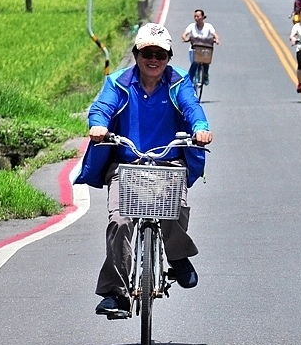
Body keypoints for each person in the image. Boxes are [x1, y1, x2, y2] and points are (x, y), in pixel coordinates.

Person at [75, 23, 213, 318]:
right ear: (136, 54)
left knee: (174, 210)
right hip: (127, 164)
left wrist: (200, 129)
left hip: (168, 162)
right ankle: (116, 293)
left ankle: (177, 257)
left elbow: (193, 110)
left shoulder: (179, 83)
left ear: (168, 57)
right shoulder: (119, 82)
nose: (154, 60)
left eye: (160, 55)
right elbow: (101, 108)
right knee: (120, 221)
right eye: (147, 53)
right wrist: (97, 126)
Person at [182, 9, 220, 86]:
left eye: (198, 16)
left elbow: (215, 35)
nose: (196, 18)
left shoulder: (208, 26)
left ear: (203, 17)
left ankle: (205, 75)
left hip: (205, 49)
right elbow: (184, 34)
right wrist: (185, 38)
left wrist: (217, 39)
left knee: (206, 61)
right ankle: (189, 79)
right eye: (195, 16)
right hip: (194, 49)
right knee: (195, 63)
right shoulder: (191, 26)